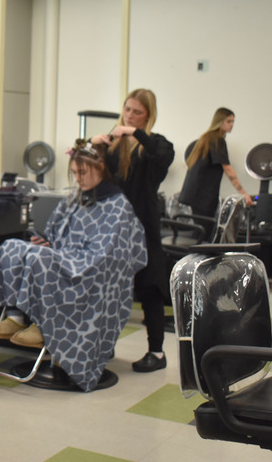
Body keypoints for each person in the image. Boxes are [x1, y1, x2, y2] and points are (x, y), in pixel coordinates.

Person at [0, 140, 147, 391]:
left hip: (91, 269)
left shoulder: (117, 206)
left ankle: (44, 325)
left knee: (40, 259)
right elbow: (54, 233)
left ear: (101, 168)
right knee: (11, 247)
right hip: (64, 258)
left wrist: (56, 254)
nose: (78, 179)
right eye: (75, 173)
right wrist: (45, 241)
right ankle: (16, 318)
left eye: (83, 173)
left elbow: (109, 253)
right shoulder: (76, 199)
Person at [91, 88, 174, 373]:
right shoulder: (115, 146)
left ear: (148, 116)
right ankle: (106, 343)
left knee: (149, 288)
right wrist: (94, 145)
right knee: (110, 287)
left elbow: (159, 153)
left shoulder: (157, 145)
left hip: (143, 226)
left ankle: (157, 351)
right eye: (127, 109)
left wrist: (131, 132)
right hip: (114, 227)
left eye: (137, 112)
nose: (129, 115)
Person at [179, 107, 253, 222]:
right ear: (219, 121)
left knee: (200, 228)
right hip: (203, 196)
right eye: (228, 121)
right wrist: (243, 193)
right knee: (205, 230)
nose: (232, 125)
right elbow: (227, 168)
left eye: (233, 121)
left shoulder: (206, 138)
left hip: (193, 193)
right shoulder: (217, 140)